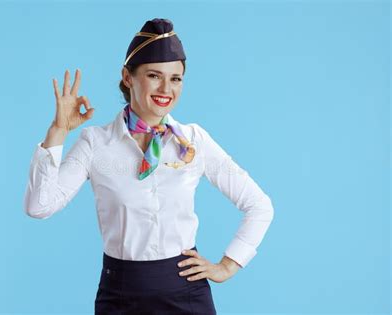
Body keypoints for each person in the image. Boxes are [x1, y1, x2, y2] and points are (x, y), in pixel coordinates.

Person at [24, 18, 274, 315]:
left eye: (176, 79)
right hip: (120, 294)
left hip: (186, 292)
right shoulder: (95, 143)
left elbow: (260, 205)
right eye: (154, 76)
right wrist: (58, 131)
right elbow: (39, 206)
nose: (166, 89)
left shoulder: (195, 140)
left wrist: (229, 265)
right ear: (127, 77)